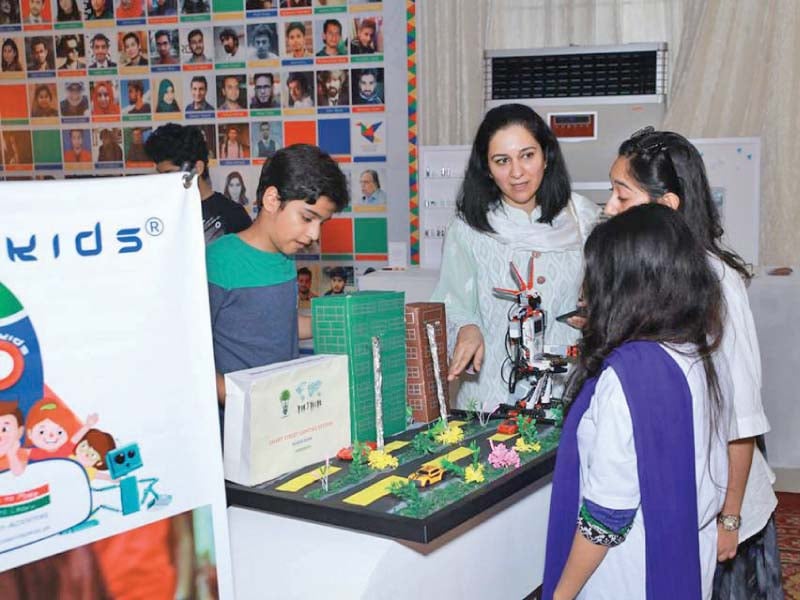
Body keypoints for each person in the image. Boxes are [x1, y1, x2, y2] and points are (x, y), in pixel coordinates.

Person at [602, 128, 781, 599]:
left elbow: (741, 418)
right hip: (684, 494)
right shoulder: (645, 273)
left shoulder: (716, 282)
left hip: (726, 502)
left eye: (622, 195)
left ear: (667, 206)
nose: (609, 207)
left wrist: (730, 517)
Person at [543, 203, 730, 599]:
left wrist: (561, 594)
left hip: (629, 571)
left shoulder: (627, 377)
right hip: (688, 550)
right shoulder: (702, 347)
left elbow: (607, 516)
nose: (585, 291)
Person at [431, 103, 599, 411]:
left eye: (527, 155)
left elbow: (611, 295)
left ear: (546, 156)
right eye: (502, 161)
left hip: (568, 393)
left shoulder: (583, 218)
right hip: (491, 396)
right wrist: (467, 327)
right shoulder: (468, 228)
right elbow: (451, 303)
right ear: (487, 168)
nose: (517, 172)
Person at [206, 144, 349, 414]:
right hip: (238, 425)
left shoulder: (284, 258)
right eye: (307, 218)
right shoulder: (219, 261)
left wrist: (351, 321)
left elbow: (280, 325)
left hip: (284, 415)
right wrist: (239, 398)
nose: (315, 235)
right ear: (272, 200)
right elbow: (188, 353)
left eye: (322, 223)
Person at [145, 123, 250, 244]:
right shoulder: (158, 213)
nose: (164, 181)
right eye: (160, 174)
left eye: (169, 174)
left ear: (198, 168)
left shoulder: (233, 215)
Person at [0, 401, 29, 476]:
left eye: (4, 430)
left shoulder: (20, 453)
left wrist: (12, 455)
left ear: (19, 432)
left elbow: (19, 474)